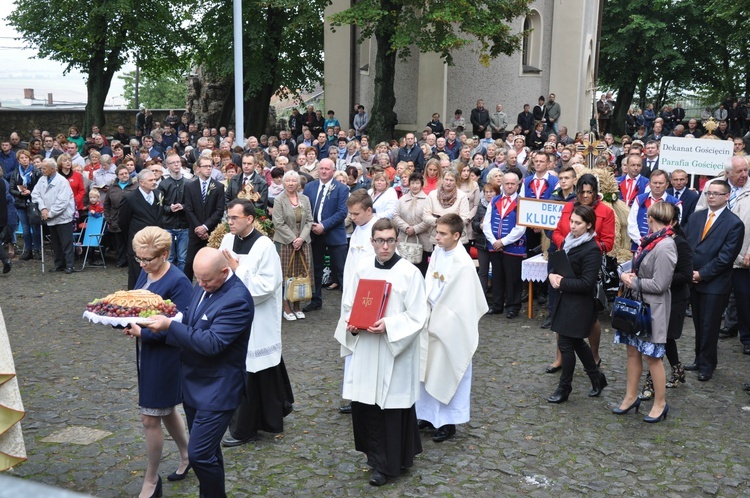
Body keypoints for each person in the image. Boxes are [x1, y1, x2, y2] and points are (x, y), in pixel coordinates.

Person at [125, 247, 253, 498]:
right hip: (195, 385)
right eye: (198, 278)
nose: (201, 284)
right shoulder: (204, 284)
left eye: (206, 280)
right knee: (209, 453)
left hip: (218, 389)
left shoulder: (237, 299)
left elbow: (212, 343)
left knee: (200, 454)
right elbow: (189, 323)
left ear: (225, 272)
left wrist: (169, 327)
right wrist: (152, 329)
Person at [334, 218, 428, 486]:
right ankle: (374, 456)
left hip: (392, 351)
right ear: (372, 242)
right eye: (379, 240)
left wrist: (389, 325)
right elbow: (348, 305)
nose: (384, 246)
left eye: (389, 240)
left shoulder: (410, 273)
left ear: (396, 241)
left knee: (390, 407)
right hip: (366, 347)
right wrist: (351, 325)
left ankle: (388, 464)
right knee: (367, 406)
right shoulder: (362, 269)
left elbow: (418, 315)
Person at [218, 199, 294, 447]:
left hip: (257, 318)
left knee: (255, 368)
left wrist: (237, 269)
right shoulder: (228, 241)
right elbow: (221, 272)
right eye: (228, 218)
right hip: (231, 315)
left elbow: (265, 286)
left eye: (234, 218)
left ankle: (245, 427)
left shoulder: (265, 246)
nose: (229, 222)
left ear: (249, 218)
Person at [125, 227, 192, 498]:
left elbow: (184, 325)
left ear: (165, 254)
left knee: (149, 417)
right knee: (164, 410)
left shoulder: (179, 282)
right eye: (138, 259)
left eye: (147, 259)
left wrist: (146, 333)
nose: (142, 264)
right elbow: (138, 306)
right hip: (148, 353)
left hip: (166, 357)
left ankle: (151, 480)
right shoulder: (147, 270)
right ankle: (189, 455)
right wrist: (125, 323)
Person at [416, 214, 487, 441]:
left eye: (442, 233)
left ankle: (449, 422)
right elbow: (430, 283)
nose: (437, 237)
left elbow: (461, 302)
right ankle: (427, 415)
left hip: (451, 326)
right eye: (437, 232)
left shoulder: (463, 264)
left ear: (456, 236)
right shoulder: (438, 252)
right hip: (431, 320)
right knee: (427, 369)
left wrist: (441, 316)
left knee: (448, 370)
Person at [614, 202, 678, 423]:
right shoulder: (650, 242)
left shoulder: (665, 245)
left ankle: (660, 403)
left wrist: (633, 282)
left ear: (650, 218)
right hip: (638, 306)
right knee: (632, 352)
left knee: (653, 357)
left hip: (653, 309)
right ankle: (631, 397)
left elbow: (660, 284)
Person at [551, 174, 615, 365]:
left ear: (596, 193)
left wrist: (585, 247)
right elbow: (557, 231)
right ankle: (560, 356)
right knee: (561, 310)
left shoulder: (606, 211)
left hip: (589, 264)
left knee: (590, 315)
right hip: (566, 260)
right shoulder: (568, 208)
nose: (585, 195)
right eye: (582, 192)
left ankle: (594, 355)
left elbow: (609, 242)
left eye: (589, 192)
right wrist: (566, 243)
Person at [546, 205, 608, 403]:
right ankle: (596, 377)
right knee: (576, 342)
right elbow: (563, 266)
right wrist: (553, 275)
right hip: (567, 299)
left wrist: (561, 281)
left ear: (589, 225)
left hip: (580, 304)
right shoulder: (568, 241)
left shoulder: (592, 249)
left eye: (578, 223)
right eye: (571, 221)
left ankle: (565, 387)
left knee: (565, 343)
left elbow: (587, 283)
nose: (572, 226)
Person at [685, 179, 745, 381]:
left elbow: (726, 258)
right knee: (698, 323)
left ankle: (708, 364)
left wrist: (701, 274)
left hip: (714, 283)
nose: (711, 196)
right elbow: (687, 245)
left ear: (727, 196)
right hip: (693, 279)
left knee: (710, 325)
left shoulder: (734, 223)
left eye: (716, 193)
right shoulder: (696, 218)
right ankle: (698, 358)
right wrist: (688, 271)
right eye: (709, 193)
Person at [639, 208, 693, 400]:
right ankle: (678, 370)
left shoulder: (678, 243)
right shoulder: (654, 240)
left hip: (674, 299)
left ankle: (651, 384)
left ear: (674, 222)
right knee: (665, 339)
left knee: (660, 341)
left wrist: (662, 278)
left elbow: (686, 275)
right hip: (656, 297)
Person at [337, 190, 378, 414]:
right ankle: (354, 394)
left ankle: (365, 395)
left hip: (367, 297)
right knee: (352, 348)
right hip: (352, 295)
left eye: (356, 213)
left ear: (369, 211)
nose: (352, 217)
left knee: (365, 348)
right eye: (350, 213)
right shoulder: (359, 229)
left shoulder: (378, 232)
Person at [302, 159, 348, 312]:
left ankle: (347, 302)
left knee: (341, 270)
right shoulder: (309, 187)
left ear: (333, 171)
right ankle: (315, 300)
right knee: (315, 268)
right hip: (314, 234)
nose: (323, 171)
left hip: (334, 233)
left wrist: (324, 226)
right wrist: (312, 226)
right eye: (321, 168)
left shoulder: (341, 188)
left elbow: (342, 212)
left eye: (327, 169)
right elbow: (305, 209)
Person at [482, 171, 526, 318]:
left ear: (517, 184)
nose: (509, 186)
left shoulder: (522, 202)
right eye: (507, 183)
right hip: (494, 245)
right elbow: (486, 223)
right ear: (502, 184)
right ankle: (497, 304)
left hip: (513, 246)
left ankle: (513, 306)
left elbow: (521, 227)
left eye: (513, 183)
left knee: (513, 278)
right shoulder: (494, 200)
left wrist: (503, 241)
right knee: (497, 276)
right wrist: (494, 241)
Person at [272, 170, 313, 320]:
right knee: (285, 275)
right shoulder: (279, 200)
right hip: (284, 243)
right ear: (283, 183)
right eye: (288, 181)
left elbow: (309, 221)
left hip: (303, 243)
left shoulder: (305, 199)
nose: (291, 183)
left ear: (298, 183)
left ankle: (297, 305)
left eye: (293, 181)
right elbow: (278, 223)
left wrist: (301, 239)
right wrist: (293, 239)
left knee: (299, 275)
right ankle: (286, 307)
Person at [119, 170, 164, 289]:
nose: (154, 182)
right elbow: (123, 222)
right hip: (139, 244)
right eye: (151, 180)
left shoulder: (159, 194)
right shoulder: (130, 198)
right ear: (141, 182)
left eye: (155, 179)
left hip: (155, 242)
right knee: (137, 275)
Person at [184, 156, 226, 281]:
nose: (208, 169)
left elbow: (219, 210)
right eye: (205, 166)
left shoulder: (218, 187)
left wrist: (205, 227)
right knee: (189, 263)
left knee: (212, 264)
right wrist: (199, 228)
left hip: (211, 232)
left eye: (210, 166)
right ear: (198, 169)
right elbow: (189, 209)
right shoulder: (190, 186)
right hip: (195, 231)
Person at [31, 158, 76, 273]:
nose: (42, 170)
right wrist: (43, 208)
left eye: (44, 168)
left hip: (62, 217)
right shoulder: (41, 180)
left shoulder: (62, 181)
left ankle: (70, 265)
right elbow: (35, 194)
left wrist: (50, 214)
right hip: (48, 216)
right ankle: (59, 264)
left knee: (66, 243)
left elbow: (62, 202)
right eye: (41, 168)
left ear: (52, 169)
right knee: (55, 243)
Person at [627, 169, 682, 251]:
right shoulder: (639, 199)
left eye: (661, 183)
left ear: (667, 185)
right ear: (649, 184)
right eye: (655, 183)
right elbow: (632, 223)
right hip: (639, 246)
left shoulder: (675, 203)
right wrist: (641, 242)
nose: (657, 186)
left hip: (663, 248)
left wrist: (658, 243)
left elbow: (674, 227)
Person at [158, 152, 192, 272]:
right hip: (168, 225)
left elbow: (192, 204)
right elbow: (159, 206)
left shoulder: (189, 183)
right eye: (173, 163)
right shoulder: (163, 185)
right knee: (169, 257)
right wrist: (169, 208)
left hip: (184, 225)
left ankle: (182, 281)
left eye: (178, 162)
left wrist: (183, 206)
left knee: (183, 258)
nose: (176, 165)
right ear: (168, 166)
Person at [394, 172, 432, 276]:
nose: (414, 186)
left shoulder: (428, 200)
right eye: (412, 183)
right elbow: (396, 216)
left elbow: (429, 220)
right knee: (404, 271)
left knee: (421, 270)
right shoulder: (402, 199)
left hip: (422, 240)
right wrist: (406, 227)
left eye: (417, 183)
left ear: (421, 184)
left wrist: (415, 229)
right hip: (404, 239)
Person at [9, 149, 42, 260]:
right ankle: (28, 250)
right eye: (22, 158)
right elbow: (11, 189)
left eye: (26, 158)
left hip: (33, 203)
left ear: (29, 159)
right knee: (26, 229)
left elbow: (40, 187)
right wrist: (20, 193)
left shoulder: (36, 172)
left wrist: (31, 192)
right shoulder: (16, 173)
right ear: (19, 160)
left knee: (35, 227)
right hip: (21, 203)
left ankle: (37, 249)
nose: (24, 160)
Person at [105, 164, 138, 268]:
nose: (124, 175)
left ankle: (133, 260)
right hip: (116, 219)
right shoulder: (112, 188)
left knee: (132, 241)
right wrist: (108, 218)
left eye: (126, 173)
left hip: (131, 218)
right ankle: (121, 260)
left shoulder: (135, 186)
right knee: (119, 243)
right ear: (117, 176)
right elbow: (107, 204)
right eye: (122, 174)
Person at [473, 182, 501, 302]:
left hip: (495, 244)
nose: (489, 194)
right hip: (482, 244)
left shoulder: (500, 205)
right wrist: (480, 225)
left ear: (497, 192)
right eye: (486, 192)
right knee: (482, 272)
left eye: (491, 192)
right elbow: (474, 224)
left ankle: (497, 298)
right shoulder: (480, 206)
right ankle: (481, 298)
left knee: (497, 272)